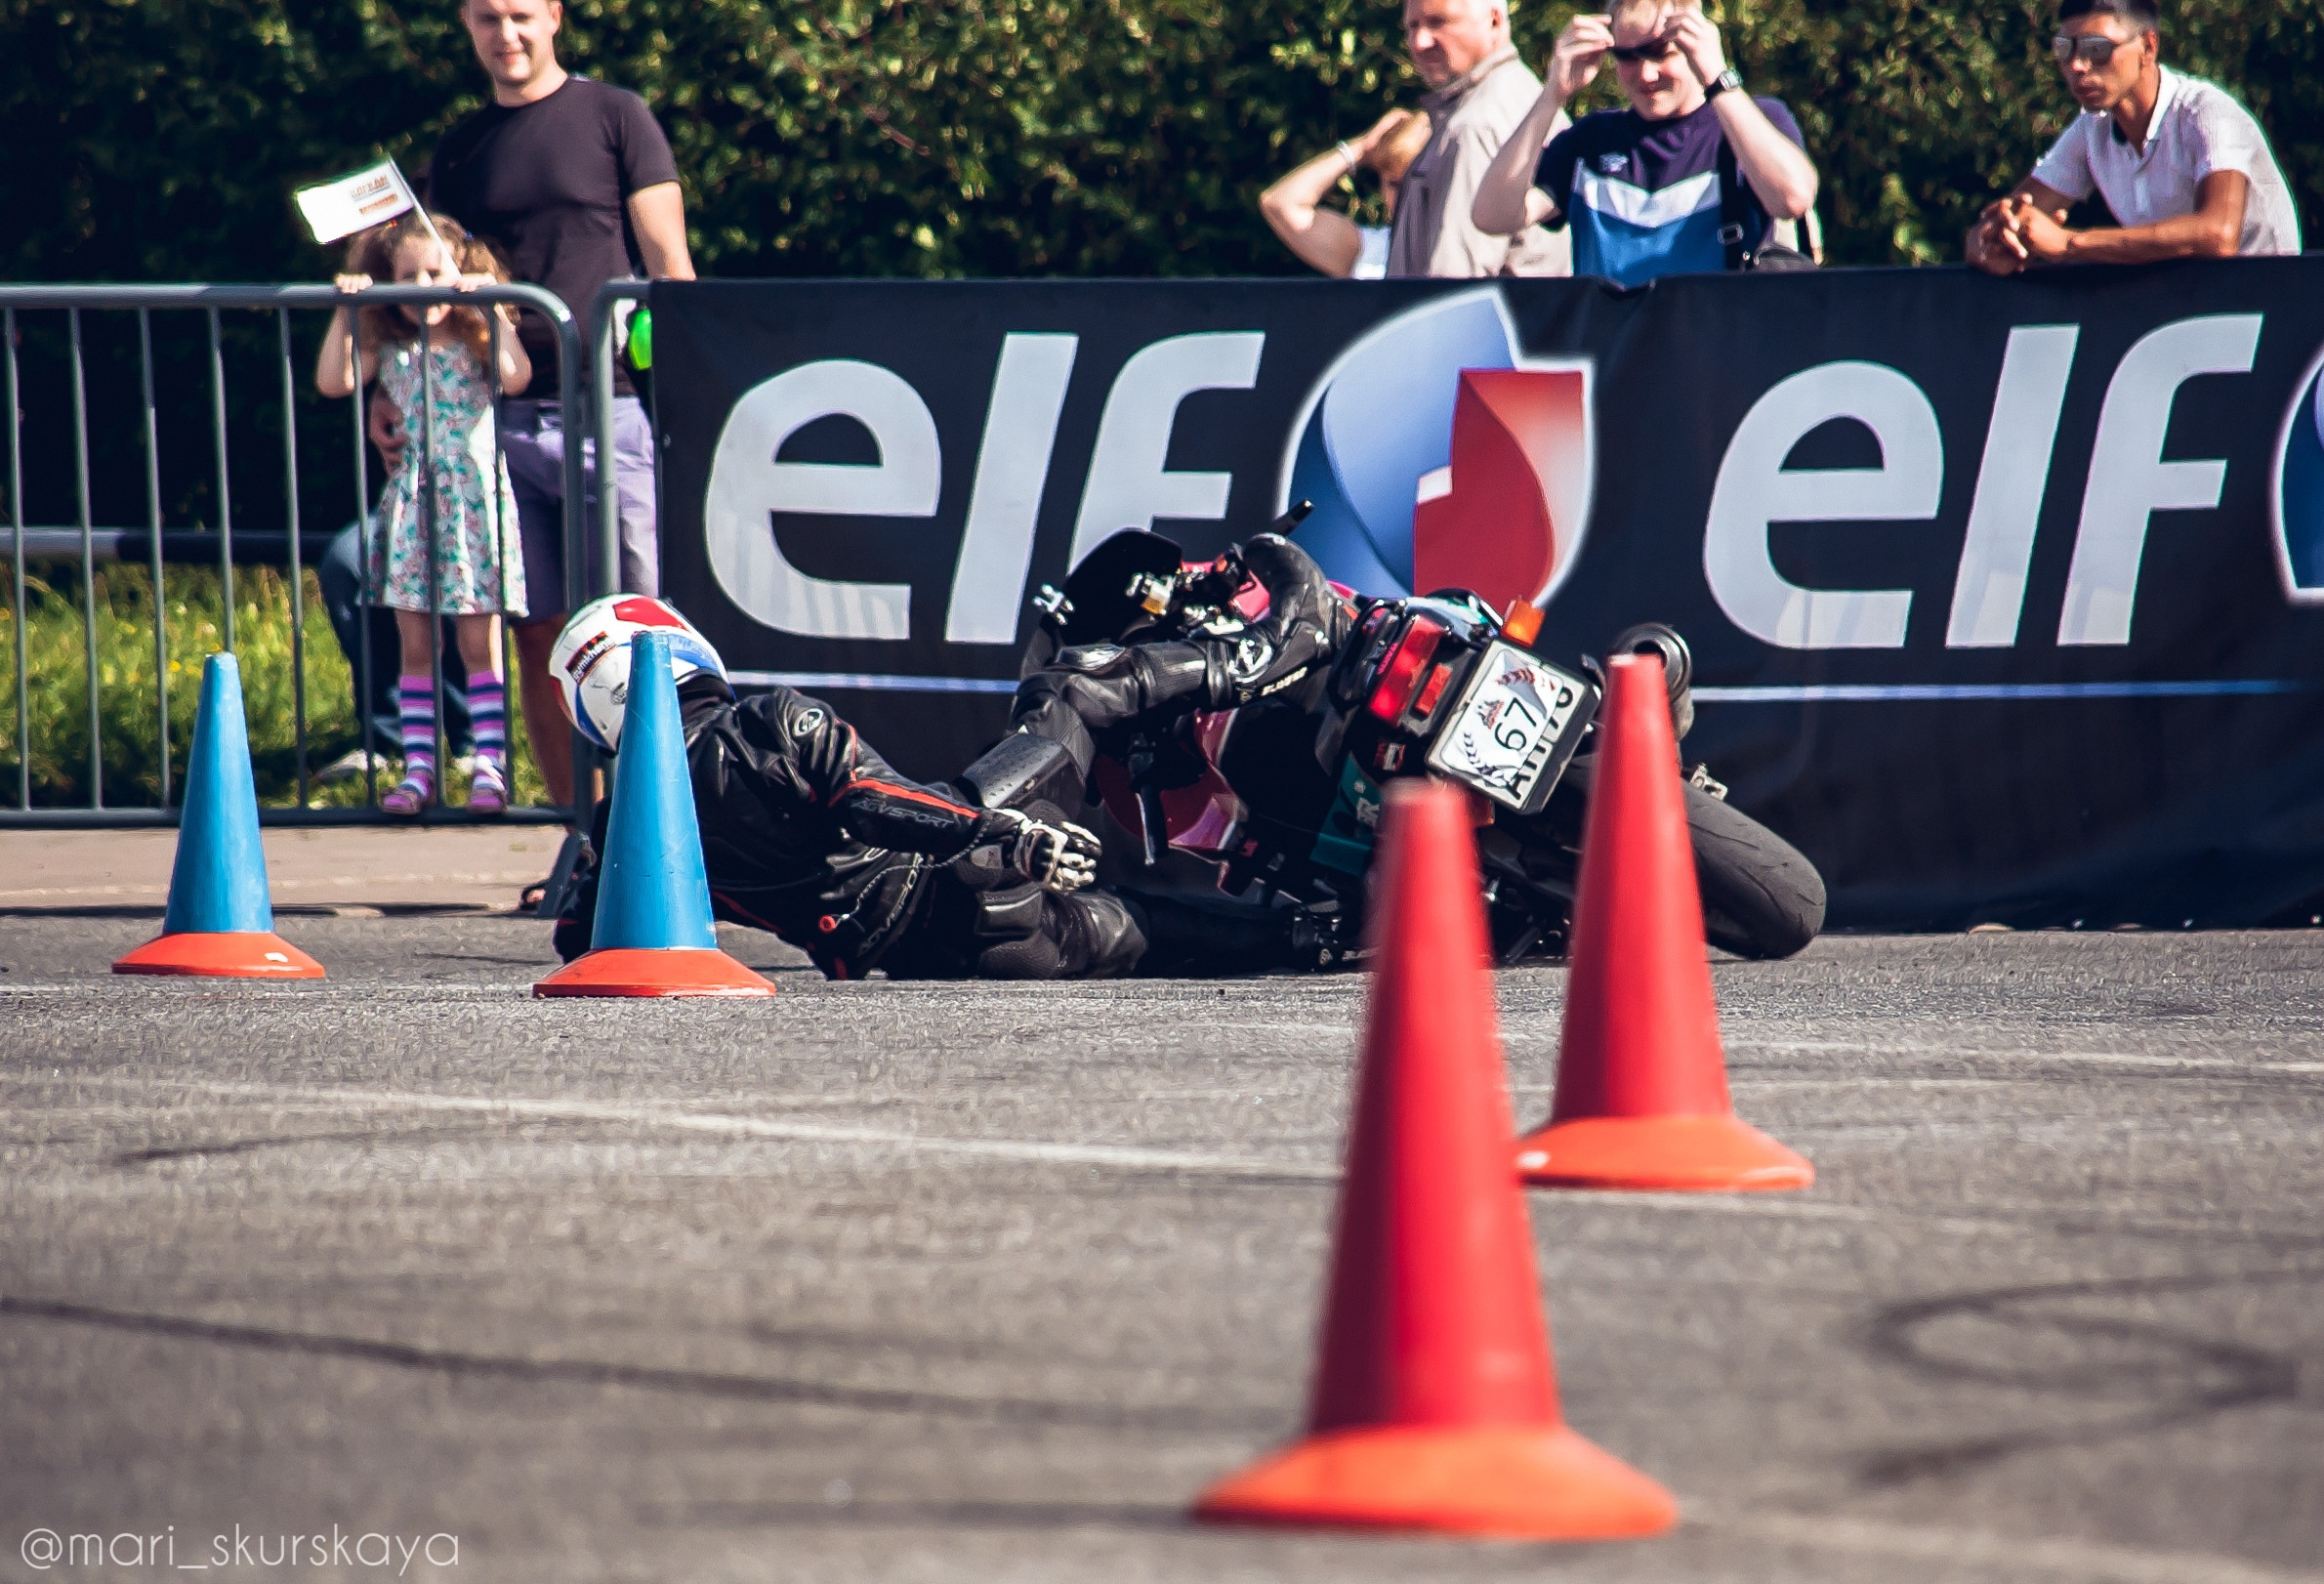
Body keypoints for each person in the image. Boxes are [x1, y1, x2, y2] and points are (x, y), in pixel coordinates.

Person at [549, 598, 1336, 980]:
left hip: (939, 958)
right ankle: (1278, 647)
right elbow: (870, 801)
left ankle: (1325, 941)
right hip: (966, 864)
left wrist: (595, 860)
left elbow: (577, 940)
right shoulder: (765, 722)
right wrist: (1003, 835)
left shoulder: (629, 818)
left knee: (1142, 930)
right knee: (1072, 688)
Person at [413, 0, 697, 818]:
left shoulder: (616, 115)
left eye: (521, 16)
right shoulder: (461, 146)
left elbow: (669, 263)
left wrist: (689, 392)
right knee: (540, 635)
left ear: (555, 17)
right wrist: (394, 395)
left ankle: (678, 833)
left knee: (645, 632)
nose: (507, 35)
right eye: (488, 19)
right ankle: (586, 837)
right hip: (492, 419)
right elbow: (431, 283)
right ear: (467, 25)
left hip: (610, 412)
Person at [315, 213, 530, 816]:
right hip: (414, 502)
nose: (424, 286)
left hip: (472, 502)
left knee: (477, 640)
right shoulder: (392, 347)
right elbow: (334, 382)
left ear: (459, 269)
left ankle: (490, 762)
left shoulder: (473, 338)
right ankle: (418, 769)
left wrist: (493, 309)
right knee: (415, 641)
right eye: (408, 275)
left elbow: (517, 376)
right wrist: (346, 309)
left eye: (436, 271)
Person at [1472, 0, 1818, 285]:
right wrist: (1552, 96)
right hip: (1615, 358)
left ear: (1696, 41)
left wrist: (1717, 76)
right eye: (1627, 57)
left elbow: (1792, 199)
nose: (1646, 74)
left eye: (1660, 53)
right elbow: (1492, 216)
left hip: (1718, 356)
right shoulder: (1590, 141)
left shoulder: (1749, 121)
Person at [1966, 0, 2299, 273]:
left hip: (2266, 308)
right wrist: (1989, 239)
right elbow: (2015, 216)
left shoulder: (2208, 113)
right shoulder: (2090, 128)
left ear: (2148, 47)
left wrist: (2070, 244)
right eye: (2065, 49)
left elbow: (2218, 234)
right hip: (2186, 307)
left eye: (2097, 49)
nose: (2078, 65)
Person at [1387, 0, 1569, 278]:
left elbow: (1453, 288)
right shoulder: (1526, 98)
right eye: (1412, 26)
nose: (1419, 42)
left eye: (1438, 22)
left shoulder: (1476, 126)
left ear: (1494, 20)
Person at [312, 518, 475, 785]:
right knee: (345, 561)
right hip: (400, 503)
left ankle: (472, 740)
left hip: (464, 507)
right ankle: (388, 741)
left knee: (448, 565)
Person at [1260, 108, 1436, 278]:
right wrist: (1363, 148)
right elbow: (1280, 203)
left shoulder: (1461, 246)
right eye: (1394, 185)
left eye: (1416, 183)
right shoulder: (1370, 250)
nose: (1404, 196)